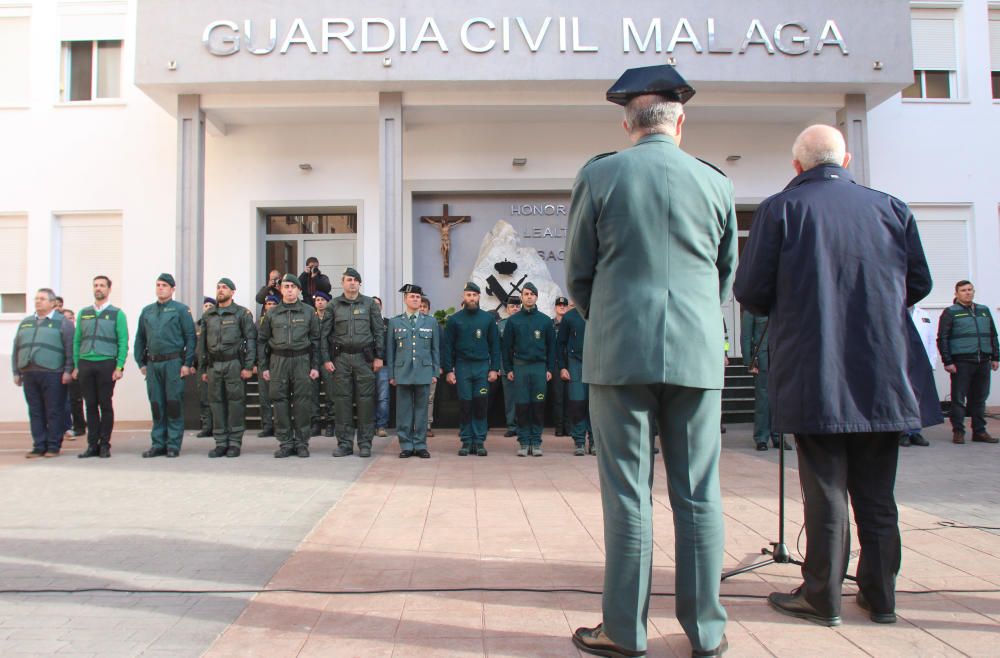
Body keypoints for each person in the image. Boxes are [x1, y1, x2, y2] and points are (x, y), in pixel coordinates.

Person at [735, 124, 940, 628]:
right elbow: (919, 282)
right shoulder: (891, 208)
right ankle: (881, 596)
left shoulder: (781, 209)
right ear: (845, 160)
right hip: (882, 368)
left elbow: (751, 291)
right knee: (877, 493)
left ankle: (822, 597)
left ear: (797, 166)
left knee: (825, 491)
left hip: (816, 368)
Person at [565, 66, 734, 658]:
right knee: (698, 494)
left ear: (625, 122)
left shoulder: (601, 174)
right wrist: (693, 325)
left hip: (619, 353)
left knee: (628, 495)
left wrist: (611, 318)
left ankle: (625, 631)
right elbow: (724, 273)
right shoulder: (715, 183)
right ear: (680, 121)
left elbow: (578, 273)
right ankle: (707, 633)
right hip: (694, 352)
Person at [134, 273, 197, 458]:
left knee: (173, 404)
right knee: (156, 404)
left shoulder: (181, 310)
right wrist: (141, 362)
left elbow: (190, 337)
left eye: (164, 285)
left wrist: (187, 363)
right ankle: (158, 443)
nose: (160, 288)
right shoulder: (147, 311)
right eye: (158, 285)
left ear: (172, 289)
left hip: (173, 363)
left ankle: (173, 444)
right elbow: (140, 338)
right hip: (153, 364)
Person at [324, 268, 385, 458]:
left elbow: (378, 332)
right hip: (340, 359)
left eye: (355, 280)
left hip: (364, 359)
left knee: (366, 402)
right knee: (342, 402)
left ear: (360, 284)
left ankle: (365, 443)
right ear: (342, 283)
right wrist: (326, 359)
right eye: (349, 280)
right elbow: (324, 334)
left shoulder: (369, 304)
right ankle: (344, 443)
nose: (352, 283)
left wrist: (379, 356)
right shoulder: (333, 305)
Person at [259, 274, 321, 458]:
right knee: (279, 403)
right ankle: (285, 442)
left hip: (301, 360)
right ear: (281, 290)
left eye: (293, 287)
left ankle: (302, 442)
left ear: (299, 290)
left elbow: (316, 341)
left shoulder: (309, 312)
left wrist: (315, 366)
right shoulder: (271, 313)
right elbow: (262, 341)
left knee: (302, 403)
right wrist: (264, 367)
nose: (289, 290)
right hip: (278, 361)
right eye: (285, 286)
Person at [13, 288, 75, 458]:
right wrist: (16, 371)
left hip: (54, 373)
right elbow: (16, 348)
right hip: (29, 373)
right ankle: (39, 445)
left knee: (54, 410)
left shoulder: (63, 323)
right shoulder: (26, 322)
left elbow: (70, 348)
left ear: (53, 303)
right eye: (36, 298)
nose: (38, 301)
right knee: (35, 410)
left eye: (42, 298)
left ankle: (53, 446)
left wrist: (68, 370)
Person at [199, 278, 257, 458]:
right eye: (218, 287)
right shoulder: (209, 315)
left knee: (235, 403)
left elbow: (251, 340)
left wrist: (249, 365)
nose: (220, 290)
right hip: (214, 365)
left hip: (234, 364)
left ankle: (234, 442)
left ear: (232, 292)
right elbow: (202, 344)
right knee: (216, 404)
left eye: (224, 287)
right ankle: (220, 442)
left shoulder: (241, 314)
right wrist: (203, 369)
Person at [937, 280, 999, 445]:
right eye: (963, 290)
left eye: (970, 289)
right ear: (956, 294)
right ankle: (958, 431)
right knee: (958, 399)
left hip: (983, 361)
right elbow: (943, 338)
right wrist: (947, 361)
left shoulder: (983, 310)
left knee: (979, 399)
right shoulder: (951, 312)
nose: (967, 293)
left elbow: (993, 335)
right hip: (961, 362)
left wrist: (995, 357)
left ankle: (979, 431)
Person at [442, 282, 501, 456]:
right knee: (465, 404)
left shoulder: (488, 319)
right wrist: (449, 370)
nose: (471, 298)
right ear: (463, 297)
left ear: (479, 297)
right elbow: (448, 347)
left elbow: (495, 346)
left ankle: (480, 441)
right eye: (468, 295)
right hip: (462, 367)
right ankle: (467, 441)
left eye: (474, 295)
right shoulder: (454, 320)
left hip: (482, 367)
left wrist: (494, 368)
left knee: (481, 404)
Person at [73, 275, 128, 459]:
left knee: (105, 404)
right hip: (86, 363)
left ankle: (105, 444)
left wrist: (119, 366)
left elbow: (123, 341)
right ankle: (91, 445)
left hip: (106, 363)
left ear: (109, 289)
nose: (98, 288)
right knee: (90, 405)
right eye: (96, 285)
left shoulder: (117, 314)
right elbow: (77, 340)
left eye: (102, 285)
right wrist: (76, 364)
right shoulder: (84, 313)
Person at [501, 282, 556, 457]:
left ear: (537, 296)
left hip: (540, 369)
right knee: (523, 406)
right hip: (520, 368)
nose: (529, 296)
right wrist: (509, 368)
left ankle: (536, 441)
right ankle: (524, 442)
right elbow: (506, 348)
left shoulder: (545, 321)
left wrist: (550, 369)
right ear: (522, 297)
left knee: (538, 405)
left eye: (532, 293)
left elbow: (552, 348)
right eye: (526, 294)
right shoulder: (513, 321)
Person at [386, 284, 439, 458]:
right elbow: (390, 350)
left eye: (418, 297)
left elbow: (435, 349)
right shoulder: (395, 321)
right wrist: (392, 374)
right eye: (412, 297)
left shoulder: (430, 321)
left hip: (424, 371)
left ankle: (420, 444)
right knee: (404, 411)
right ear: (405, 299)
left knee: (422, 411)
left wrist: (435, 372)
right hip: (403, 372)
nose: (415, 299)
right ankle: (406, 445)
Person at [739, 309, 790, 451]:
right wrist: (749, 361)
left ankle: (779, 437)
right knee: (763, 400)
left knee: (780, 399)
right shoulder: (752, 309)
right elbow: (746, 336)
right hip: (762, 360)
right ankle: (761, 438)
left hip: (779, 358)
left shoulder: (779, 306)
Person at [557, 302, 593, 456]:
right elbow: (560, 344)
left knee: (594, 405)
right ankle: (579, 441)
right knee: (577, 402)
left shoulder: (599, 313)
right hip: (575, 363)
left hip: (595, 364)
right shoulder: (569, 317)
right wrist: (563, 367)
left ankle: (594, 441)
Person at [900, 305, 937, 447]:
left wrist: (931, 363)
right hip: (902, 361)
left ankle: (915, 431)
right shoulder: (894, 309)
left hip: (921, 361)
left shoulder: (924, 313)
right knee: (904, 397)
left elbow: (931, 339)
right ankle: (902, 432)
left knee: (918, 398)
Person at [60, 308, 86, 441]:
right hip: (63, 370)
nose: (68, 321)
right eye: (66, 318)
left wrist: (77, 368)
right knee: (66, 401)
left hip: (78, 370)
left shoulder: (79, 334)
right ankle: (67, 426)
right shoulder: (61, 334)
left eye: (71, 318)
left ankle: (80, 426)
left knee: (77, 399)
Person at [311, 291, 335, 437]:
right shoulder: (311, 317)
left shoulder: (332, 318)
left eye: (322, 300)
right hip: (313, 360)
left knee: (331, 393)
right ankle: (315, 422)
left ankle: (331, 421)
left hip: (328, 359)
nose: (320, 302)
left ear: (328, 302)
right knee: (312, 394)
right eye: (317, 300)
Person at [497, 296, 521, 438]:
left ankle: (523, 425)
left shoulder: (526, 322)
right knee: (510, 399)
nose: (515, 309)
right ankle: (512, 426)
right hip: (507, 367)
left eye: (517, 306)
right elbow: (498, 348)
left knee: (524, 397)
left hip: (523, 366)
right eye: (512, 306)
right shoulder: (501, 325)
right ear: (507, 309)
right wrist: (499, 367)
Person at [256, 295, 279, 437]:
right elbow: (254, 342)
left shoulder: (281, 318)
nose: (270, 305)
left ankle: (279, 425)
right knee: (264, 397)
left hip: (278, 360)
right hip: (263, 361)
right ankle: (267, 425)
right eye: (268, 303)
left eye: (273, 303)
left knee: (278, 396)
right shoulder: (259, 322)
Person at [549, 296, 570, 436]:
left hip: (570, 362)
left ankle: (568, 427)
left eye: (564, 305)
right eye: (559, 305)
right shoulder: (550, 324)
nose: (562, 307)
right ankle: (559, 427)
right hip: (556, 363)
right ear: (555, 308)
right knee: (558, 397)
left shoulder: (571, 323)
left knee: (570, 397)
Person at [196, 297, 216, 438]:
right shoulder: (197, 325)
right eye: (205, 305)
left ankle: (217, 426)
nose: (207, 307)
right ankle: (206, 426)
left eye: (210, 305)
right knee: (204, 397)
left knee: (216, 398)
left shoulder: (216, 323)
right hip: (201, 365)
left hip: (214, 363)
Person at [420, 296, 439, 437]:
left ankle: (427, 425)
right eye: (420, 306)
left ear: (428, 309)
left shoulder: (434, 325)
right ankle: (415, 425)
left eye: (424, 307)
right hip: (412, 368)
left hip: (429, 367)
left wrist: (437, 368)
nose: (422, 309)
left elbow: (438, 348)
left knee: (429, 398)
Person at [372, 295, 391, 438]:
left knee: (383, 397)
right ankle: (369, 425)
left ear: (381, 306)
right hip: (365, 364)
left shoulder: (388, 323)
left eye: (378, 304)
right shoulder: (363, 322)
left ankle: (381, 426)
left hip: (384, 365)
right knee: (366, 397)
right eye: (373, 304)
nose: (376, 306)